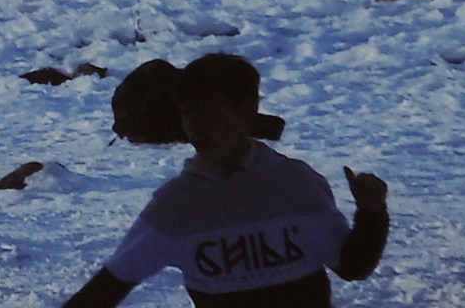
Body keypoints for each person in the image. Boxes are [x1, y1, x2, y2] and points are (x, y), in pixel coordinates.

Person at [53, 51, 390, 307]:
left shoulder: (297, 183)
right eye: (187, 113)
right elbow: (105, 291)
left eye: (207, 112)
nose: (196, 127)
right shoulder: (176, 205)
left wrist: (371, 212)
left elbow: (352, 266)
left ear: (245, 111)